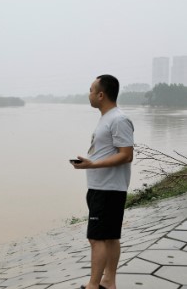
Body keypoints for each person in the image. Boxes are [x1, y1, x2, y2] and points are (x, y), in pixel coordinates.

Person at [70, 74, 134, 289]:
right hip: (102, 187)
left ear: (101, 94)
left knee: (96, 239)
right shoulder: (108, 118)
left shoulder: (118, 119)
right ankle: (108, 282)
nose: (88, 95)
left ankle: (93, 285)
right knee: (109, 238)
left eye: (90, 90)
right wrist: (90, 163)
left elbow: (126, 154)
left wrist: (91, 165)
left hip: (107, 189)